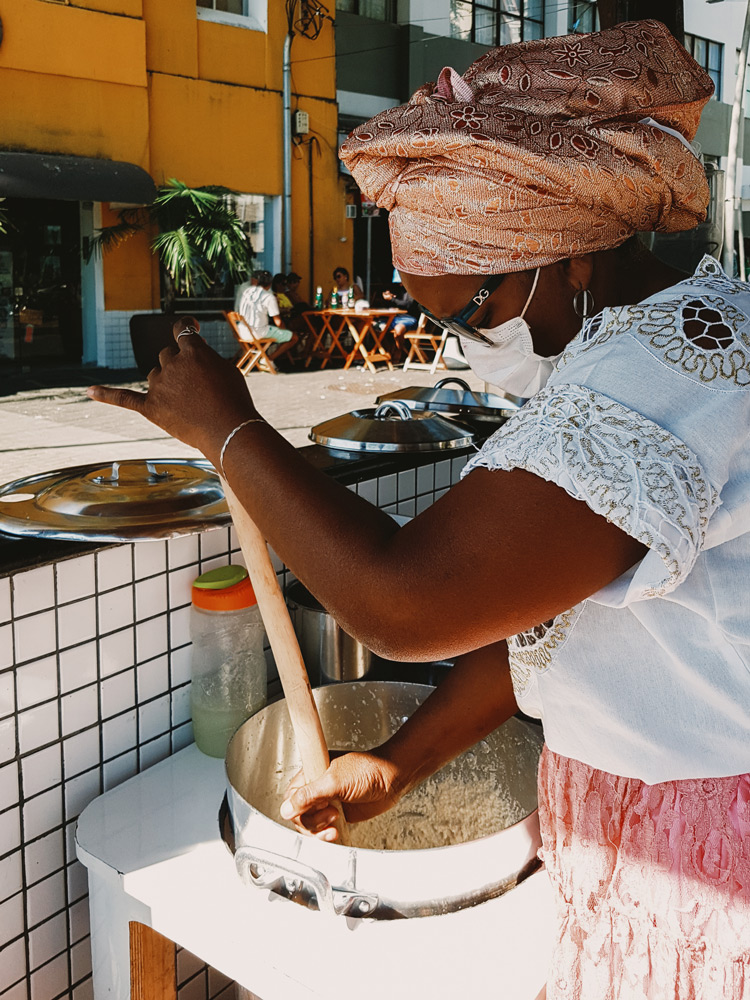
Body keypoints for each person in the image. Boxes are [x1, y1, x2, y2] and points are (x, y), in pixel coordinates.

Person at [88, 21, 750, 998]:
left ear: (568, 253)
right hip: (643, 822)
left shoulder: (657, 371)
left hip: (701, 853)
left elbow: (409, 605)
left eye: (473, 311)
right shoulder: (653, 337)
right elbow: (545, 619)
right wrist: (396, 766)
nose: (460, 347)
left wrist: (231, 430)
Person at [234, 269, 298, 368]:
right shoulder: (268, 296)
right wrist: (284, 331)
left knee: (272, 331)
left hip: (241, 332)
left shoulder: (246, 292)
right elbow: (278, 321)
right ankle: (269, 359)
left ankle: (262, 358)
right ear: (270, 284)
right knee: (293, 337)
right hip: (258, 333)